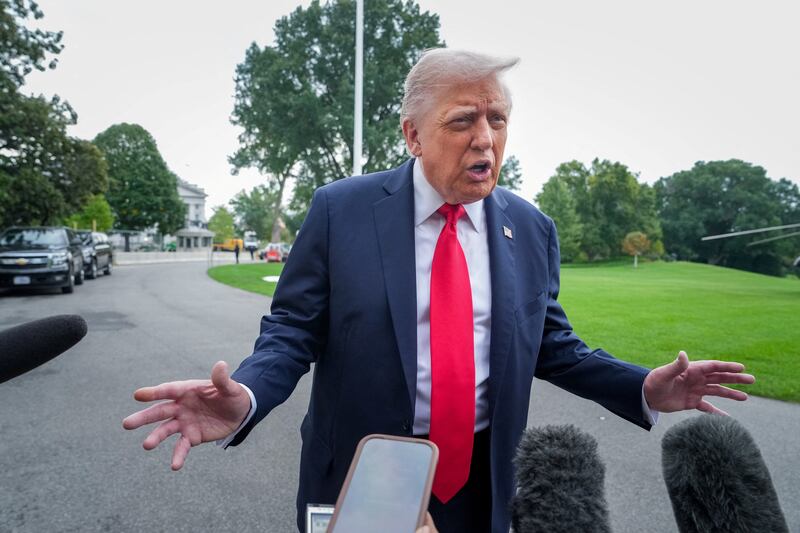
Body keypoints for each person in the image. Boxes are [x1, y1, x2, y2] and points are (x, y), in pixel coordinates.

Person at [123, 49, 754, 533]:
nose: (486, 138)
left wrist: (643, 387)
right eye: (463, 121)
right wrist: (249, 395)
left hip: (483, 479)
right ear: (413, 135)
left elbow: (551, 344)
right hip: (365, 473)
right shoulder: (341, 211)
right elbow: (292, 331)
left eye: (497, 119)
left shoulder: (531, 229)